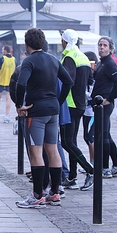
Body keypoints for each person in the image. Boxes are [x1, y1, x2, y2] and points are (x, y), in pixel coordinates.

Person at [15, 28, 73, 208]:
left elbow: (21, 83)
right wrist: (58, 100)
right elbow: (69, 81)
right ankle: (55, 192)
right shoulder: (53, 60)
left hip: (36, 111)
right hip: (53, 110)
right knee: (53, 150)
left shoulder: (29, 61)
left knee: (36, 152)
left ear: (26, 44)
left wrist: (19, 105)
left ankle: (37, 194)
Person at [59, 29, 95, 191]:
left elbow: (68, 80)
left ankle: (90, 170)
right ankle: (72, 177)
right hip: (81, 103)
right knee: (71, 140)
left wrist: (59, 100)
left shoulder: (69, 57)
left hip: (69, 104)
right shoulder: (84, 57)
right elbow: (90, 80)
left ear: (64, 41)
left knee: (67, 142)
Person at [90, 36, 117, 178]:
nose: (101, 48)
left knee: (102, 135)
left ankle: (105, 168)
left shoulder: (109, 63)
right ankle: (116, 166)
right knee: (107, 135)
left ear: (110, 48)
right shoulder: (101, 63)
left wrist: (109, 98)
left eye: (104, 45)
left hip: (104, 104)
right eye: (100, 45)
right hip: (99, 103)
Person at [0, 45, 16, 123]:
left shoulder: (2, 59)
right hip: (10, 81)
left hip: (1, 81)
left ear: (5, 50)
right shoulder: (14, 59)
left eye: (2, 50)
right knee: (8, 99)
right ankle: (7, 116)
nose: (2, 51)